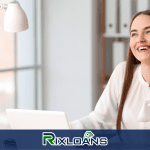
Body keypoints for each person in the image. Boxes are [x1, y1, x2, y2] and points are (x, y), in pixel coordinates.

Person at [69, 9, 150, 130]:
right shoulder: (122, 72)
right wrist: (66, 129)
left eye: (148, 32)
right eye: (134, 34)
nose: (140, 39)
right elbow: (99, 121)